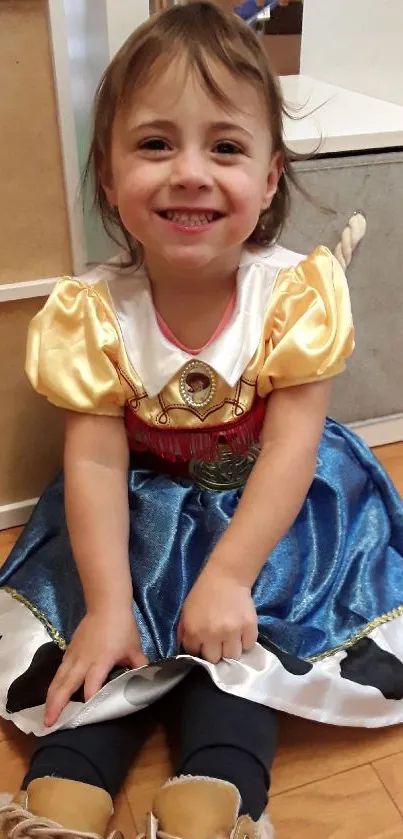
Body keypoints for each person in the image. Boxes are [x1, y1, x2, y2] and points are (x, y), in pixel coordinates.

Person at [0, 2, 402, 838]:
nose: (189, 171)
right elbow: (97, 461)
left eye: (224, 146)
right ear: (107, 177)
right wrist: (109, 601)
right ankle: (66, 778)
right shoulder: (92, 310)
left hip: (272, 504)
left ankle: (217, 788)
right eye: (154, 144)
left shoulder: (294, 294)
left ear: (267, 177)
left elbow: (292, 444)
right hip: (139, 501)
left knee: (245, 638)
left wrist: (224, 576)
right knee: (103, 631)